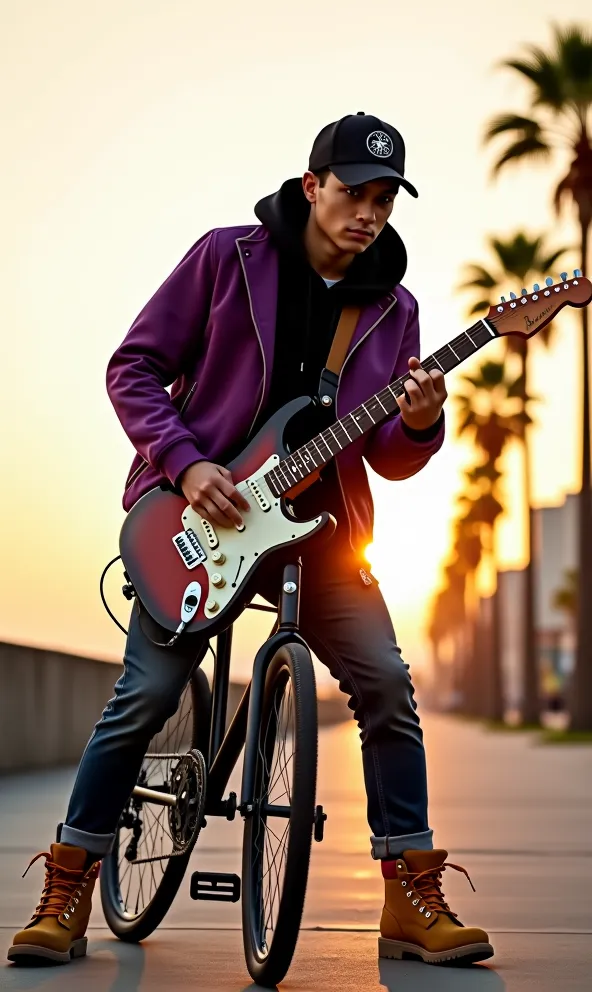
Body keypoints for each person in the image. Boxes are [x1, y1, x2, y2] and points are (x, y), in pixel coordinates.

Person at [8, 112, 493, 967]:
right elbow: (134, 368)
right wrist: (188, 464)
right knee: (148, 694)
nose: (369, 213)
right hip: (198, 518)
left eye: (385, 199)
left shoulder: (396, 309)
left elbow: (388, 456)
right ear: (312, 186)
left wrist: (421, 423)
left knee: (385, 685)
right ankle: (70, 883)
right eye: (353, 192)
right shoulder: (226, 259)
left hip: (324, 535)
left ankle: (408, 895)